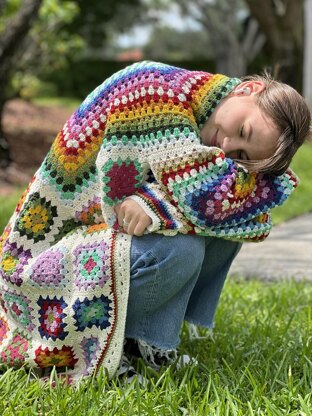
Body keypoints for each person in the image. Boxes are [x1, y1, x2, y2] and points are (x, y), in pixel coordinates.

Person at [0, 61, 310, 383]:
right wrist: (159, 206)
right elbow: (127, 209)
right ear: (248, 89)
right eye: (243, 131)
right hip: (43, 257)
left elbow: (244, 205)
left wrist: (156, 204)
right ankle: (108, 345)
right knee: (182, 247)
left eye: (243, 153)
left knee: (225, 222)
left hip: (98, 235)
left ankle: (145, 342)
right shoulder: (156, 89)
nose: (229, 147)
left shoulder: (210, 107)